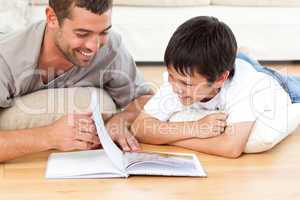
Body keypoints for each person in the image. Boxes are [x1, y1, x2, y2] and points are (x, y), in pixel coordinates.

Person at [0, 0, 153, 162]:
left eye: (103, 32)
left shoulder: (110, 47)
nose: (94, 47)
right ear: (52, 18)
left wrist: (119, 120)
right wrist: (49, 136)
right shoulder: (6, 59)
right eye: (82, 34)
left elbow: (145, 98)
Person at [131, 16, 300, 158]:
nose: (175, 87)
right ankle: (242, 56)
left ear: (220, 79)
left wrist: (166, 138)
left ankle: (245, 59)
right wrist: (195, 128)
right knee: (240, 60)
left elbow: (231, 148)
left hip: (282, 87)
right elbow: (139, 128)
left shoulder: (247, 86)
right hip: (234, 66)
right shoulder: (180, 77)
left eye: (186, 83)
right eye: (170, 76)